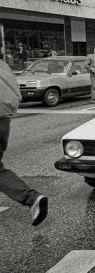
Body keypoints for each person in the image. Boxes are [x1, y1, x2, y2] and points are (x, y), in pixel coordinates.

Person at [0, 59, 48, 226]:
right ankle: (31, 198)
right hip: (3, 120)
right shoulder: (3, 66)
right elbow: (16, 94)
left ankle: (31, 198)